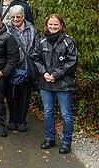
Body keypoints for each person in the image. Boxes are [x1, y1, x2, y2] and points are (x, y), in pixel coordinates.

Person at [31, 14, 78, 154]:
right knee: (48, 112)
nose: (52, 27)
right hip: (46, 83)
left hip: (63, 83)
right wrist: (44, 73)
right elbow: (35, 58)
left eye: (55, 24)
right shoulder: (42, 41)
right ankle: (49, 138)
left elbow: (72, 61)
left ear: (61, 25)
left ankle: (66, 141)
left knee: (66, 113)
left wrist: (56, 75)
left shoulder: (68, 41)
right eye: (50, 24)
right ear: (46, 25)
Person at [5, 5, 38, 133]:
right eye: (13, 16)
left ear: (23, 16)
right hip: (12, 67)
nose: (15, 19)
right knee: (11, 95)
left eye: (18, 16)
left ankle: (22, 120)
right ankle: (12, 119)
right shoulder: (6, 28)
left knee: (25, 95)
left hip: (27, 67)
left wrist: (30, 59)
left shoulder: (32, 29)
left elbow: (36, 47)